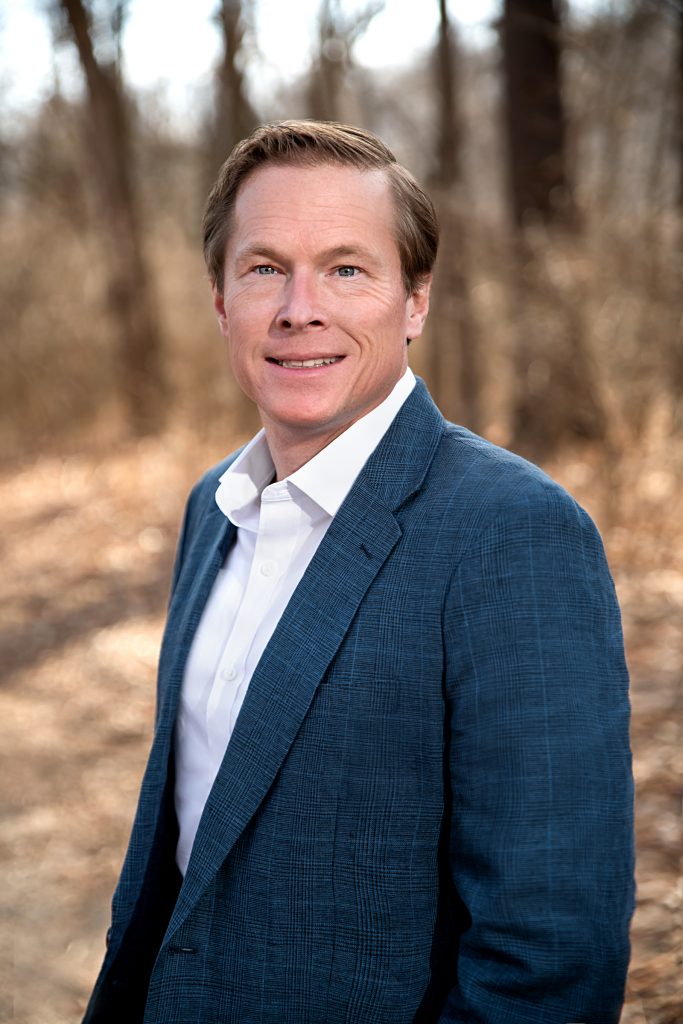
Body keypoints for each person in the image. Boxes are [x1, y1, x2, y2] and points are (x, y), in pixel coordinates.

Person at [83, 120, 634, 1024]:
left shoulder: (513, 535)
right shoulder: (211, 509)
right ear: (221, 300)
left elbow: (549, 954)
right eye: (264, 268)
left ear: (414, 300)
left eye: (347, 268)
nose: (301, 308)